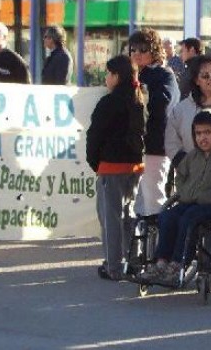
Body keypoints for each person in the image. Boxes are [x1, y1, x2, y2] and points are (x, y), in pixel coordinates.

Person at [142, 110, 211, 283]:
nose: (202, 138)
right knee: (167, 216)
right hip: (193, 203)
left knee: (189, 217)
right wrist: (186, 193)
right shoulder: (192, 156)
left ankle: (178, 263)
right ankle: (161, 261)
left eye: (208, 132)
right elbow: (180, 177)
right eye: (198, 133)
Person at [86, 55, 145, 281]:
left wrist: (95, 162)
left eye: (109, 74)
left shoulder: (108, 103)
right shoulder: (139, 99)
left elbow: (95, 136)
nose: (106, 78)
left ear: (117, 76)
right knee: (129, 215)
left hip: (111, 166)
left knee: (111, 217)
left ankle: (114, 265)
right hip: (134, 166)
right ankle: (133, 260)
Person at [128, 28, 179, 221]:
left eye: (143, 49)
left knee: (153, 199)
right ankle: (140, 248)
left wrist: (139, 91)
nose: (137, 54)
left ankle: (159, 245)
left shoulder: (164, 74)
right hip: (132, 146)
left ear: (154, 50)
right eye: (133, 49)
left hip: (154, 145)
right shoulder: (130, 74)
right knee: (135, 202)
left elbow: (163, 104)